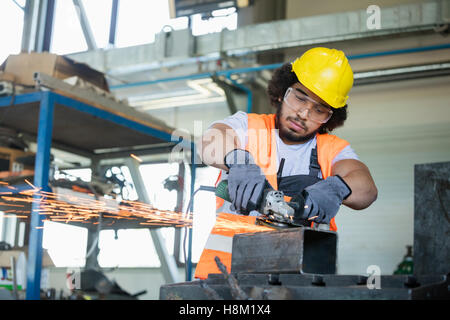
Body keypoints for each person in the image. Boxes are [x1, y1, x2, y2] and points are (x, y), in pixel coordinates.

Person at [194, 47, 378, 280]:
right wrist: (238, 161)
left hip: (301, 285)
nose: (303, 113)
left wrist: (337, 187)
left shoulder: (331, 149)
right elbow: (210, 141)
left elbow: (367, 189)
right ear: (282, 92)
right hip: (224, 280)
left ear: (330, 117)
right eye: (299, 97)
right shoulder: (248, 127)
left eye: (319, 109)